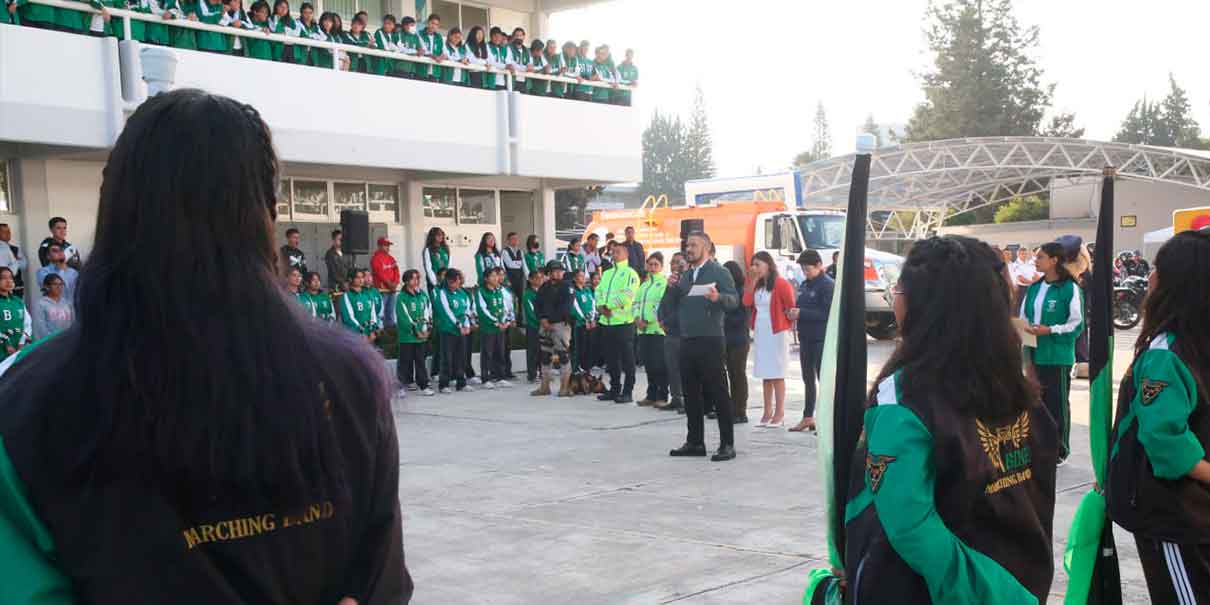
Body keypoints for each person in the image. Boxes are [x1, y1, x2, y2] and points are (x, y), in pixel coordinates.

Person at [0, 90, 412, 603]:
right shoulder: (349, 374)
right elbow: (380, 579)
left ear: (116, 207)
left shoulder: (25, 401)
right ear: (265, 212)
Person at [843, 235, 1056, 604]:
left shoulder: (905, 396)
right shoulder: (1020, 386)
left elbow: (909, 526)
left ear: (919, 303)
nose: (894, 298)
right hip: (1023, 580)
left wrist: (996, 594)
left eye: (898, 288)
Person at [1106, 229, 1210, 604]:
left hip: (1182, 515)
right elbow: (1167, 442)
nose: (1149, 278)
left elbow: (1168, 446)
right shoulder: (1171, 351)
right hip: (1177, 513)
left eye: (1156, 269)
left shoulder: (1173, 350)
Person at [666, 232, 740, 461]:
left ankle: (727, 444)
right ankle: (695, 441)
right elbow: (674, 304)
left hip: (710, 339)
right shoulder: (686, 275)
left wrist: (718, 298)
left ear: (706, 248)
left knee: (717, 391)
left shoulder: (719, 272)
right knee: (690, 392)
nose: (689, 249)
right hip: (687, 339)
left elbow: (734, 301)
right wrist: (671, 288)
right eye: (687, 245)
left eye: (694, 245)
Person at [1021, 241, 1084, 464]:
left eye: (1040, 257)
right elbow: (1025, 318)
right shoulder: (1035, 288)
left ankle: (1059, 448)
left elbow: (1076, 324)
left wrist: (1050, 330)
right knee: (1036, 404)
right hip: (1035, 355)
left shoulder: (1070, 289)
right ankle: (1039, 446)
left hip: (1057, 356)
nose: (1035, 261)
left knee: (1057, 404)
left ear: (1054, 260)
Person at [743, 251, 796, 428]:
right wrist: (751, 281)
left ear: (768, 265)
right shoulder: (757, 284)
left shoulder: (781, 284)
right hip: (761, 330)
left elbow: (791, 306)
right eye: (753, 265)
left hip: (777, 332)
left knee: (777, 373)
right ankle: (767, 411)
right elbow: (746, 302)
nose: (755, 268)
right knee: (765, 373)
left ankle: (779, 413)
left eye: (758, 264)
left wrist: (786, 323)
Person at [790, 249, 833, 433]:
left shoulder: (827, 285)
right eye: (803, 269)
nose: (805, 272)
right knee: (807, 379)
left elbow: (828, 313)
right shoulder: (805, 285)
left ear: (818, 266)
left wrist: (803, 313)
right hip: (805, 338)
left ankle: (827, 419)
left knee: (823, 380)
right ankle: (808, 416)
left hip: (820, 338)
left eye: (808, 268)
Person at [595, 241, 640, 403]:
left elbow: (628, 295)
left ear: (626, 254)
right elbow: (598, 290)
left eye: (618, 252)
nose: (614, 255)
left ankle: (627, 391)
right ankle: (614, 390)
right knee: (611, 359)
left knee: (627, 360)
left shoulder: (631, 274)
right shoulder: (606, 273)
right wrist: (600, 306)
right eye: (613, 252)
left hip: (623, 323)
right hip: (607, 323)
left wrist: (609, 306)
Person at [532, 261, 575, 397]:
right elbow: (537, 304)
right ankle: (544, 387)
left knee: (563, 355)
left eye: (560, 271)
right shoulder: (544, 287)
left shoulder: (567, 286)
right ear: (549, 273)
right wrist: (542, 319)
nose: (558, 273)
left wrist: (551, 320)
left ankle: (564, 387)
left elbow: (566, 306)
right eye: (555, 271)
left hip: (561, 324)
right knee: (545, 355)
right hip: (545, 325)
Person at [655, 252, 687, 412]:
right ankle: (675, 398)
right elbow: (663, 303)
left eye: (678, 263)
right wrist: (660, 320)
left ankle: (684, 399)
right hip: (669, 332)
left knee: (683, 368)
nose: (674, 266)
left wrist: (666, 322)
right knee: (672, 367)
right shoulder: (670, 283)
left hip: (681, 331)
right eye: (673, 263)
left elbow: (682, 308)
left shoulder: (686, 283)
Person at [635, 253, 669, 407]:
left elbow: (660, 306)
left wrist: (647, 320)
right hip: (643, 331)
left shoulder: (663, 284)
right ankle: (651, 394)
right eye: (650, 264)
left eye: (656, 265)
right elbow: (635, 304)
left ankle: (662, 395)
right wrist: (637, 319)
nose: (653, 267)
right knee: (648, 364)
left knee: (659, 364)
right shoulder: (643, 285)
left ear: (661, 266)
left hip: (657, 330)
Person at [395, 269, 434, 397]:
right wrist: (415, 330)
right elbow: (403, 316)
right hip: (407, 336)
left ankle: (423, 384)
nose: (416, 281)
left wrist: (427, 329)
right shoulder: (401, 297)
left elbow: (427, 312)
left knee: (420, 361)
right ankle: (400, 385)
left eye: (418, 278)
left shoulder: (422, 295)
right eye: (413, 278)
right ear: (406, 281)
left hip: (421, 336)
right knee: (405, 361)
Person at [434, 268, 473, 393]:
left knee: (461, 357)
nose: (459, 283)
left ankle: (461, 382)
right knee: (447, 358)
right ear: (450, 281)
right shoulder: (442, 293)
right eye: (457, 281)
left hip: (461, 330)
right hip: (448, 330)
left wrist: (466, 325)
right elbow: (446, 312)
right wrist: (458, 325)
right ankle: (443, 384)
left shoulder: (462, 293)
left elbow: (466, 310)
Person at [476, 267, 513, 389]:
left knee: (500, 352)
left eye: (497, 276)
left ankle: (500, 377)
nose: (496, 278)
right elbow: (482, 310)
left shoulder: (499, 291)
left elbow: (504, 308)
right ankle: (486, 378)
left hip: (500, 327)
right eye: (493, 276)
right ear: (486, 278)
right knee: (487, 353)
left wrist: (505, 321)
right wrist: (495, 322)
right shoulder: (481, 291)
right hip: (488, 328)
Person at [722, 260, 750, 424]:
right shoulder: (726, 291)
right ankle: (731, 408)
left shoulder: (741, 292)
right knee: (729, 374)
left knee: (738, 374)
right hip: (725, 338)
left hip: (738, 339)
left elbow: (742, 318)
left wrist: (723, 317)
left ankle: (740, 410)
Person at [339, 268, 379, 341]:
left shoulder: (368, 294)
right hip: (355, 335)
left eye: (362, 277)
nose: (361, 280)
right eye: (358, 278)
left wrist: (373, 331)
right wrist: (360, 331)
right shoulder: (347, 296)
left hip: (370, 334)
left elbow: (373, 314)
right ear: (350, 279)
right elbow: (349, 318)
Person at [570, 269, 596, 375]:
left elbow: (593, 304)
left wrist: (593, 318)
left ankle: (587, 368)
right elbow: (575, 307)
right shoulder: (574, 291)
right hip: (580, 324)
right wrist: (584, 319)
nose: (583, 278)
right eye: (581, 276)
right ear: (575, 278)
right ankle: (575, 369)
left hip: (590, 323)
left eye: (584, 276)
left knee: (589, 347)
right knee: (578, 347)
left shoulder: (588, 290)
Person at [32, 273, 74, 340]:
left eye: (61, 284)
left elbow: (73, 324)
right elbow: (40, 328)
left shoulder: (67, 303)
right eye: (55, 284)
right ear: (47, 286)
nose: (59, 287)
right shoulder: (41, 304)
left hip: (67, 342)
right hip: (50, 343)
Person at [370, 237, 400, 327]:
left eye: (388, 245)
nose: (387, 247)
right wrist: (390, 284)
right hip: (381, 291)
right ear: (379, 246)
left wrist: (395, 283)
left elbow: (396, 271)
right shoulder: (375, 258)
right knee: (380, 313)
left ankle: (390, 334)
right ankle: (381, 334)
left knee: (390, 313)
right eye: (385, 245)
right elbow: (380, 273)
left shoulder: (391, 258)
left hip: (392, 290)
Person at [522, 269, 544, 383]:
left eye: (541, 278)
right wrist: (541, 321)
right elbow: (531, 312)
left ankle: (542, 372)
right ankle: (532, 374)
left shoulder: (543, 292)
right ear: (530, 280)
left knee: (543, 351)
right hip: (533, 327)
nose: (540, 280)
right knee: (533, 351)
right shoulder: (528, 294)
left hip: (544, 326)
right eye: (537, 278)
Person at [0, 266, 30, 354]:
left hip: (20, 348)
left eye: (10, 278)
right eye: (3, 278)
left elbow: (27, 323)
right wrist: (6, 344)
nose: (8, 281)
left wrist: (22, 341)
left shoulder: (18, 301)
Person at [0, 223, 27, 298]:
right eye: (4, 231)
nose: (8, 234)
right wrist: (16, 261)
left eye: (9, 231)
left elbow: (24, 264)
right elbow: (3, 267)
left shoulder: (15, 249)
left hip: (17, 286)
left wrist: (14, 262)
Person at [416, 13, 444, 81]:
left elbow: (442, 51)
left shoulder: (439, 37)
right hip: (421, 71)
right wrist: (433, 56)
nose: (434, 26)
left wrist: (442, 56)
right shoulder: (419, 33)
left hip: (434, 72)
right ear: (428, 22)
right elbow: (421, 49)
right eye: (432, 23)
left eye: (436, 24)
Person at [502, 231, 526, 301]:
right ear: (508, 241)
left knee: (520, 297)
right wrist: (520, 263)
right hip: (510, 278)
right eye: (513, 239)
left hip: (520, 278)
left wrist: (528, 277)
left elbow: (524, 265)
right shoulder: (505, 251)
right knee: (511, 297)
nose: (515, 241)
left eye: (516, 239)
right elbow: (510, 264)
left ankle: (520, 312)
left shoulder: (520, 251)